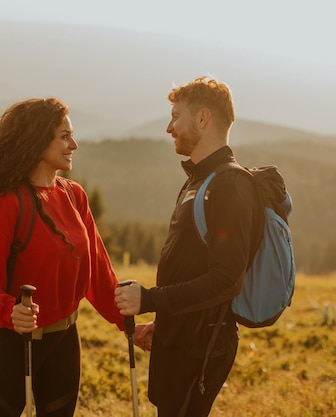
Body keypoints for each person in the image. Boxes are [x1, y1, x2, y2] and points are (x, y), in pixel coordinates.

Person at [0, 97, 125, 417]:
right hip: (15, 344)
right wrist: (9, 310)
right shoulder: (10, 204)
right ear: (37, 139)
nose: (74, 144)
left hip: (65, 342)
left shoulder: (74, 195)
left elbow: (97, 271)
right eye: (64, 136)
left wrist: (128, 325)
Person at [115, 76, 261, 417]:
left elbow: (227, 279)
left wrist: (150, 300)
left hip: (202, 347)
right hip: (184, 337)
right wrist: (165, 322)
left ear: (203, 118)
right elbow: (193, 266)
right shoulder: (201, 179)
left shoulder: (229, 186)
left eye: (176, 115)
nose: (169, 127)